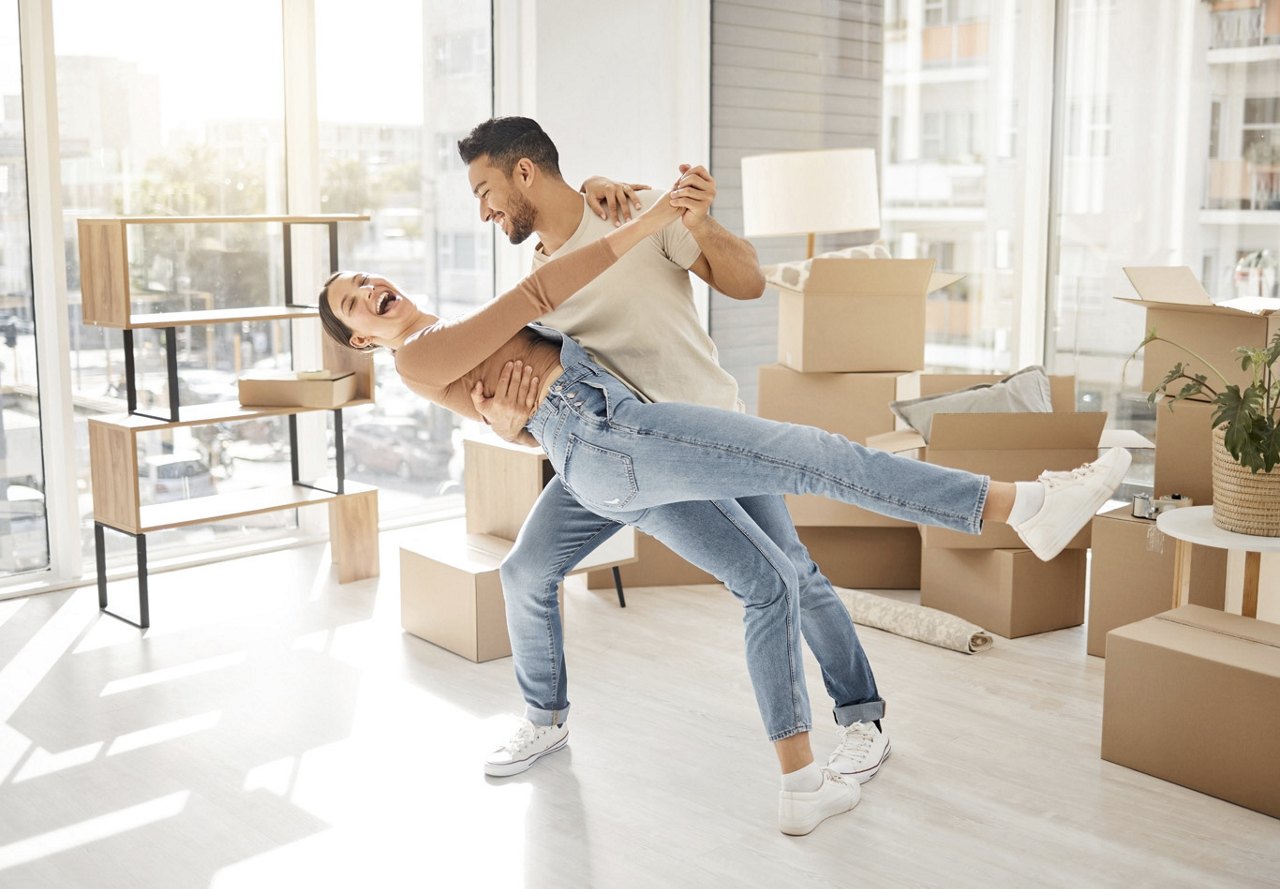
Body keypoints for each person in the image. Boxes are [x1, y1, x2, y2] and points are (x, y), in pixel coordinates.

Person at [318, 184, 1131, 836]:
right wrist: (640, 226)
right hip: (614, 442)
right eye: (355, 300)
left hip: (606, 450)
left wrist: (517, 420)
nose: (371, 289)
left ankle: (799, 778)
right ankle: (1022, 505)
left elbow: (530, 401)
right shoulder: (421, 354)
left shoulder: (450, 332)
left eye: (365, 279)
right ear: (360, 340)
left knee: (744, 579)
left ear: (523, 174)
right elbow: (536, 299)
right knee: (817, 458)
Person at [453, 118, 897, 810]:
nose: (482, 210)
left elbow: (747, 282)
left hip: (707, 439)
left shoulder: (635, 214)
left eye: (484, 190)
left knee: (790, 572)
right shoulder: (537, 286)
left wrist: (701, 220)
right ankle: (545, 720)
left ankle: (861, 715)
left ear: (524, 173)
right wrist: (512, 428)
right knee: (524, 569)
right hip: (610, 456)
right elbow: (554, 399)